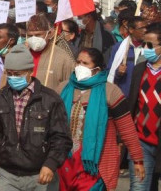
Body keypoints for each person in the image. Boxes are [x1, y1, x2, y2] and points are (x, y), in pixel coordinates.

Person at [56, 47, 144, 190]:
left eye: (85, 63)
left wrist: (138, 159)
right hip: (65, 160)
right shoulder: (63, 88)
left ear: (97, 69)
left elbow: (126, 128)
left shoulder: (110, 91)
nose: (79, 67)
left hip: (95, 162)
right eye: (78, 62)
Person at [0, 44, 72, 191]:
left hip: (39, 175)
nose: (13, 77)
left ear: (30, 71)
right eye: (10, 73)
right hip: (7, 174)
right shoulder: (2, 97)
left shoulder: (50, 99)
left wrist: (51, 164)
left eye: (18, 74)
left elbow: (61, 137)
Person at [127, 23, 161, 189]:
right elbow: (133, 102)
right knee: (139, 187)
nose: (146, 48)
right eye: (144, 44)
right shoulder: (140, 69)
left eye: (151, 45)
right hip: (140, 141)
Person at [25, 13, 76, 90]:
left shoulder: (63, 57)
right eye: (30, 35)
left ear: (49, 33)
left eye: (38, 35)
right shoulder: (21, 54)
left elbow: (70, 87)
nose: (33, 39)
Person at [108, 15, 147, 97]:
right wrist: (118, 73)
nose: (145, 30)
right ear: (131, 30)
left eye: (146, 27)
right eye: (141, 28)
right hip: (124, 94)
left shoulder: (150, 48)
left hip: (142, 95)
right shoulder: (119, 48)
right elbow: (109, 71)